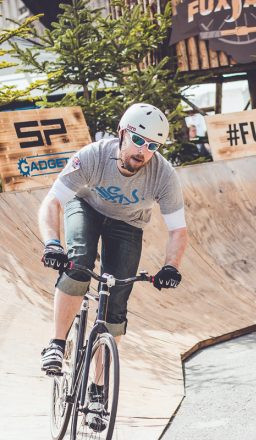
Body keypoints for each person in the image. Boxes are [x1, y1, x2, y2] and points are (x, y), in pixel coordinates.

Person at [39, 103, 188, 429]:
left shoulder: (163, 174)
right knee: (78, 263)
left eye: (152, 146)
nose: (143, 151)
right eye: (138, 141)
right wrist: (52, 243)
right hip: (86, 207)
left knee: (117, 302)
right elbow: (52, 201)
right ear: (122, 133)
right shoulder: (92, 156)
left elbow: (178, 229)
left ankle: (97, 389)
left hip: (128, 225)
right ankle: (57, 343)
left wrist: (171, 266)